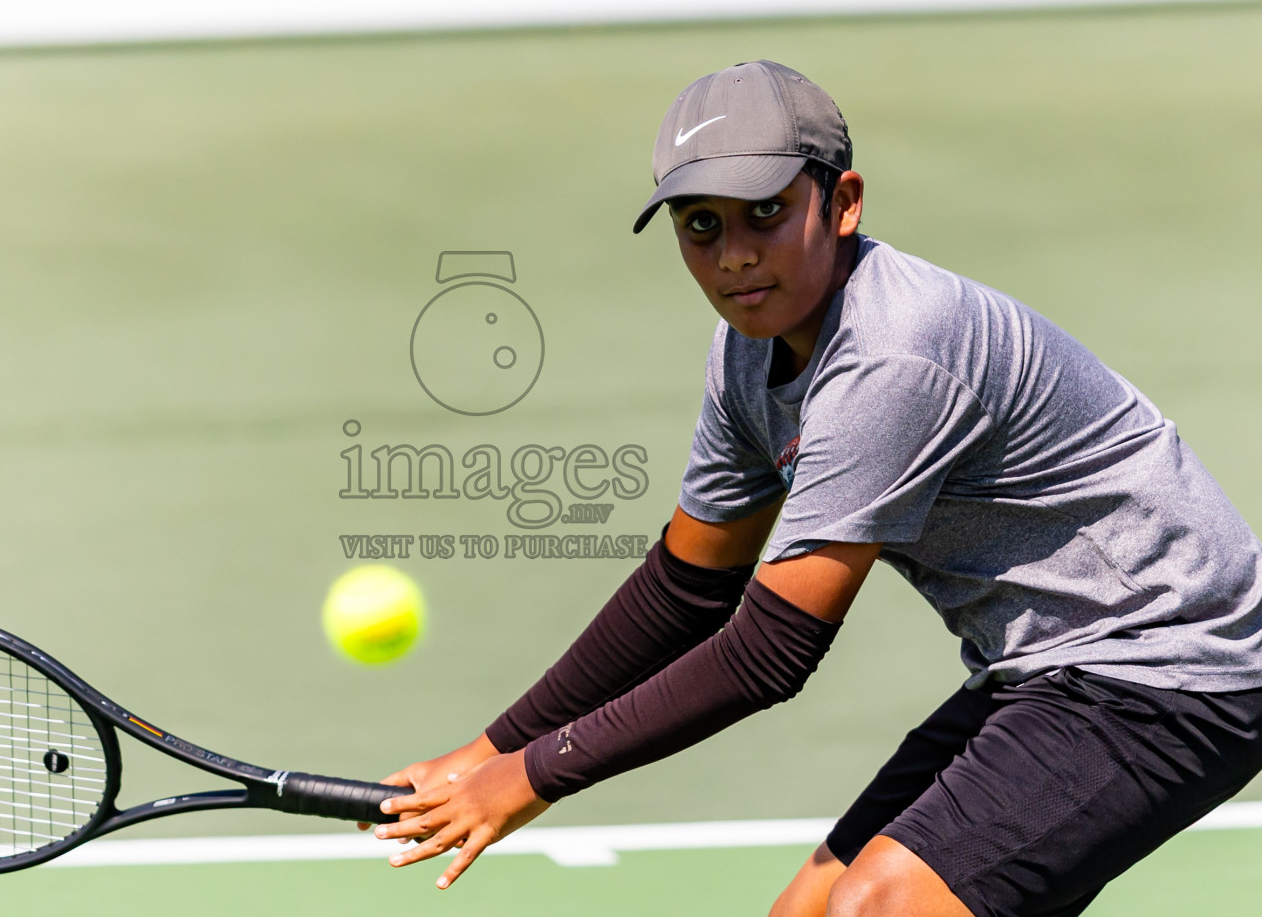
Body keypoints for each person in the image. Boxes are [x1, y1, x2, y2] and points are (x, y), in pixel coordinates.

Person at [365, 60, 1262, 916]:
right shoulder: (750, 350)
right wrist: (489, 750)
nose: (735, 257)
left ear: (844, 203)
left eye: (765, 212)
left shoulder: (891, 356)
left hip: (1174, 666)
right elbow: (686, 588)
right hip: (1042, 671)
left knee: (882, 906)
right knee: (813, 911)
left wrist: (530, 777)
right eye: (700, 225)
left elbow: (768, 654)